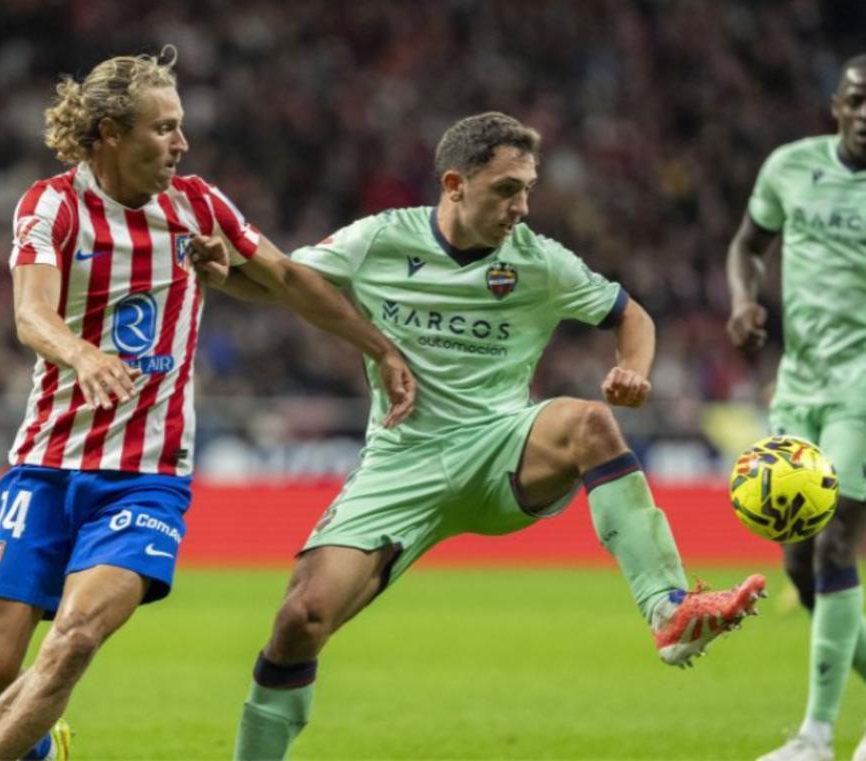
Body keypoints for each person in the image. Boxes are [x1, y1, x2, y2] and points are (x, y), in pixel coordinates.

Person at [207, 112, 767, 760]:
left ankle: (669, 608)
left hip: (502, 446)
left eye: (527, 188)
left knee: (588, 421)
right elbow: (283, 280)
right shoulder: (379, 240)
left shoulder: (540, 261)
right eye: (506, 189)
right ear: (455, 184)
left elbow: (631, 314)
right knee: (299, 619)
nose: (521, 206)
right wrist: (217, 270)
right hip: (402, 461)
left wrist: (633, 369)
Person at [0, 47, 416, 761]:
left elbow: (288, 277)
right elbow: (30, 314)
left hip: (145, 477)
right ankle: (45, 749)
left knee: (75, 636)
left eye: (181, 126)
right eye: (164, 128)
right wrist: (82, 354)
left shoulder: (198, 206)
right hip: (44, 463)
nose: (182, 143)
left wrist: (380, 347)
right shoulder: (50, 205)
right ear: (110, 132)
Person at [725, 54, 866, 761]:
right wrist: (744, 298)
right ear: (837, 105)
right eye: (858, 100)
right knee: (799, 565)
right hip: (799, 382)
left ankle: (816, 736)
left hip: (863, 386)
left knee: (839, 536)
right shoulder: (790, 166)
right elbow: (748, 245)